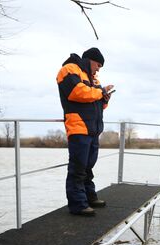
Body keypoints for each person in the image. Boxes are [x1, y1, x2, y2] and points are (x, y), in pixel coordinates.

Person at [57, 47, 114, 216]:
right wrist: (100, 92)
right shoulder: (68, 70)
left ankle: (89, 197)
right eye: (98, 65)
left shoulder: (94, 79)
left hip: (92, 129)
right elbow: (77, 92)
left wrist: (105, 98)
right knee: (78, 167)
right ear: (90, 60)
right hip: (78, 126)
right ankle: (78, 205)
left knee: (88, 166)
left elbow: (97, 103)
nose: (98, 69)